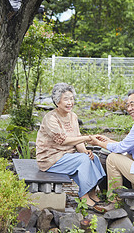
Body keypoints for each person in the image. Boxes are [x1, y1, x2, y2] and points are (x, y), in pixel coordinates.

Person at [36, 82, 106, 213]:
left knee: (92, 157)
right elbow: (63, 141)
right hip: (51, 158)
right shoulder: (50, 118)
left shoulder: (73, 116)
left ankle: (92, 193)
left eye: (72, 98)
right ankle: (84, 196)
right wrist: (87, 138)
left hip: (67, 156)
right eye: (66, 99)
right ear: (57, 102)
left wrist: (85, 151)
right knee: (83, 160)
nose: (70, 102)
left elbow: (77, 138)